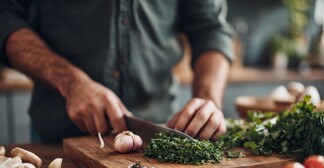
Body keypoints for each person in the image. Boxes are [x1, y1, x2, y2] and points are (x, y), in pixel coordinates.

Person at [0, 0, 234, 142]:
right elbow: (5, 14)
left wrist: (208, 100)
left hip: (161, 130)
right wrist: (71, 82)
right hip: (57, 138)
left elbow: (210, 28)